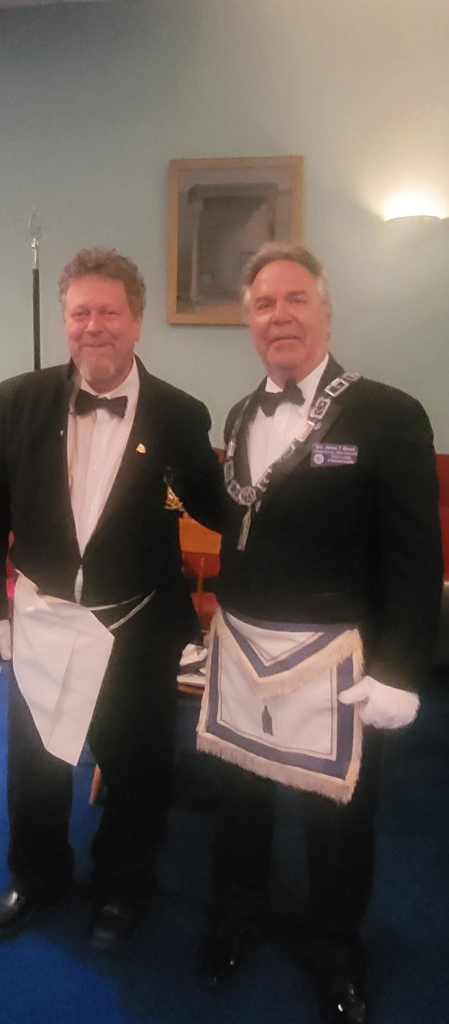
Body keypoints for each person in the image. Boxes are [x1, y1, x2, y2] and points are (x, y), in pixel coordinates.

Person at [197, 242, 443, 1023]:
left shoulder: (389, 414)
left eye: (296, 298)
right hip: (244, 648)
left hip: (337, 658)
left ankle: (338, 948)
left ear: (327, 312)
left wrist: (400, 668)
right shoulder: (240, 413)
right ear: (250, 322)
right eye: (264, 304)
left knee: (338, 818)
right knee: (240, 799)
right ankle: (236, 913)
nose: (280, 316)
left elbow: (416, 556)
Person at [0, 247, 223, 951]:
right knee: (36, 764)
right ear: (65, 321)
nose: (93, 326)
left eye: (109, 312)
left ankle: (122, 887)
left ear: (137, 321)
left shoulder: (179, 413)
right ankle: (37, 876)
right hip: (42, 617)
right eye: (80, 312)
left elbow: (217, 507)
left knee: (137, 769)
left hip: (134, 623)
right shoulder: (18, 398)